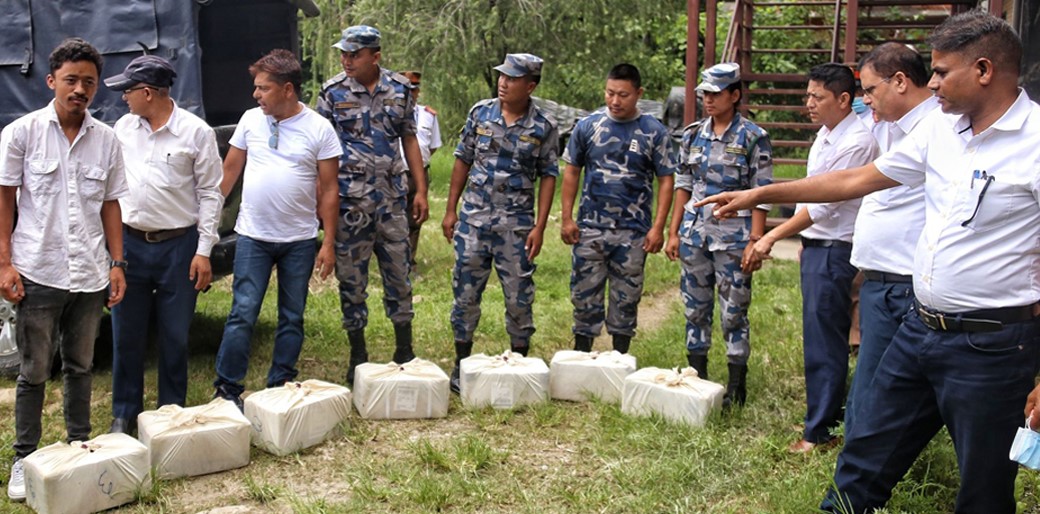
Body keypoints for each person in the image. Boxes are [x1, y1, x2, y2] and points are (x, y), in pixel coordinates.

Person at [700, 11, 1040, 513]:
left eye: (943, 72)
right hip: (919, 329)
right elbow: (855, 180)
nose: (934, 83)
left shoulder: (1034, 143)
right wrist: (762, 193)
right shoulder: (940, 132)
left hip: (992, 347)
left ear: (985, 70)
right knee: (861, 462)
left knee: (984, 489)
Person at [0, 38, 128, 502]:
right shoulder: (22, 133)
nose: (80, 89)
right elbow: (5, 199)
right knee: (34, 371)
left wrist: (117, 263)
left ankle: (78, 447)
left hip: (92, 273)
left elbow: (111, 205)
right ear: (51, 80)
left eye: (88, 82)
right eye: (71, 79)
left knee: (81, 366)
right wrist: (5, 262)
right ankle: (24, 459)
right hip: (38, 269)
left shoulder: (107, 139)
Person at [747, 63, 878, 452]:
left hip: (836, 250)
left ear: (843, 99)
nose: (809, 104)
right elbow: (810, 197)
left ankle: (819, 432)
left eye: (817, 96)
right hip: (819, 245)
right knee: (820, 338)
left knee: (825, 342)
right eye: (807, 95)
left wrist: (772, 235)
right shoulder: (827, 134)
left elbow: (823, 203)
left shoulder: (856, 141)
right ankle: (824, 419)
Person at [212, 49, 340, 408]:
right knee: (242, 312)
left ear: (287, 89)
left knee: (291, 316)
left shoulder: (319, 128)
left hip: (298, 240)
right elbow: (229, 173)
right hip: (253, 236)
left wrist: (327, 242)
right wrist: (206, 222)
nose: (256, 95)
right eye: (256, 88)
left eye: (263, 88)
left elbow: (330, 190)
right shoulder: (251, 120)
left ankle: (280, 384)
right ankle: (227, 389)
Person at [105, 55, 224, 436]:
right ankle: (124, 417)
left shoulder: (195, 132)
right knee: (126, 334)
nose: (123, 97)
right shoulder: (123, 128)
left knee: (174, 335)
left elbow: (210, 194)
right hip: (130, 246)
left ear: (147, 93)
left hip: (179, 246)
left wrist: (204, 250)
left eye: (128, 90)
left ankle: (170, 414)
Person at [318, 26, 429, 382]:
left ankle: (404, 349)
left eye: (354, 54)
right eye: (343, 54)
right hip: (351, 203)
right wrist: (320, 201)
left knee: (399, 274)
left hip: (392, 200)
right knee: (352, 280)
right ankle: (358, 354)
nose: (346, 60)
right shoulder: (332, 93)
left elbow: (409, 139)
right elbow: (319, 149)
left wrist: (421, 190)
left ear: (375, 56)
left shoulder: (399, 89)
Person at [442, 53, 559, 393]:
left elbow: (549, 175)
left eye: (512, 78)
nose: (503, 82)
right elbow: (462, 161)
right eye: (502, 76)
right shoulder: (481, 113)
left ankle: (520, 364)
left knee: (519, 298)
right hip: (474, 222)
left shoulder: (543, 126)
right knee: (464, 294)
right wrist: (451, 210)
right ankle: (461, 364)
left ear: (531, 85)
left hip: (516, 226)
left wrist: (539, 226)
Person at [662, 62, 772, 407]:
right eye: (704, 94)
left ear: (734, 95)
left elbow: (762, 192)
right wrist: (674, 231)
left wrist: (755, 240)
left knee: (733, 312)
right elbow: (683, 183)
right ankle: (700, 382)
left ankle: (736, 386)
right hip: (695, 236)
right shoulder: (693, 134)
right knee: (695, 308)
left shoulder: (753, 137)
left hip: (734, 239)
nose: (708, 100)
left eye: (715, 94)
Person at [842, 42, 938, 432]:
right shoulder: (893, 128)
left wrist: (763, 194)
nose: (865, 101)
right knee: (875, 384)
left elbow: (851, 181)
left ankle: (859, 477)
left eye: (869, 91)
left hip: (904, 283)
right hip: (883, 280)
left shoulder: (936, 129)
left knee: (882, 389)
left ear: (899, 81)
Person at [561, 63, 675, 356]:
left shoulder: (653, 132)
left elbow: (666, 180)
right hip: (590, 229)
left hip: (633, 232)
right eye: (610, 93)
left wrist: (658, 227)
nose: (615, 101)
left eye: (623, 95)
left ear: (639, 93)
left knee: (626, 299)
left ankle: (619, 358)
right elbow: (571, 171)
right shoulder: (588, 126)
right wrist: (567, 218)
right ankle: (581, 355)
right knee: (584, 295)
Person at [400, 70, 442, 268]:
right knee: (392, 217)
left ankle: (410, 260)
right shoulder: (390, 112)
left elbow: (431, 146)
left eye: (414, 90)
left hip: (418, 174)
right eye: (406, 89)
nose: (411, 94)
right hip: (395, 173)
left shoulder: (428, 116)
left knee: (415, 218)